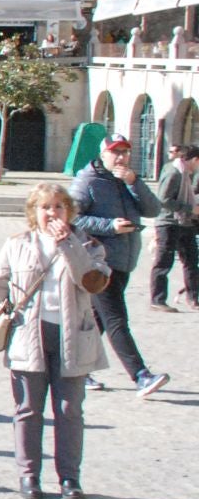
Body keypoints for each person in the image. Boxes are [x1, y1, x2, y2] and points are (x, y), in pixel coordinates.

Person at [0, 182, 111, 499]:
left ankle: (69, 478)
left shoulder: (89, 245)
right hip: (28, 335)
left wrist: (68, 244)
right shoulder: (17, 245)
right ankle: (29, 475)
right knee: (28, 409)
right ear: (33, 213)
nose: (52, 213)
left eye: (58, 207)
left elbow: (93, 283)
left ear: (69, 211)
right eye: (45, 207)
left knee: (69, 410)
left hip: (73, 336)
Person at [70, 134, 169, 397]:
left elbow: (152, 209)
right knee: (116, 320)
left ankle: (75, 370)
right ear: (103, 154)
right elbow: (72, 218)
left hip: (124, 260)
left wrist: (134, 182)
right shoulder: (88, 180)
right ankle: (141, 375)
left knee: (99, 320)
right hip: (99, 263)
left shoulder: (127, 180)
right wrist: (109, 226)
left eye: (125, 152)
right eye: (116, 152)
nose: (122, 157)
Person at [148, 144, 198, 310]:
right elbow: (163, 199)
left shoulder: (185, 173)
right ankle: (158, 300)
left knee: (191, 261)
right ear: (195, 160)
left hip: (185, 222)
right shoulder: (174, 172)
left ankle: (194, 298)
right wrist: (190, 208)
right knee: (164, 262)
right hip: (168, 223)